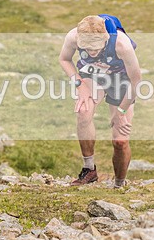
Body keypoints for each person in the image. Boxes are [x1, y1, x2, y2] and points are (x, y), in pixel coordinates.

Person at [58, 15, 141, 188]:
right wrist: (80, 86)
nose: (91, 52)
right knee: (83, 111)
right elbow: (64, 59)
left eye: (96, 48)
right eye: (86, 48)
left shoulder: (121, 44)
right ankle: (89, 170)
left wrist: (122, 111)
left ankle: (119, 184)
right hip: (93, 74)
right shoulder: (73, 36)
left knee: (120, 141)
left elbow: (136, 81)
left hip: (121, 79)